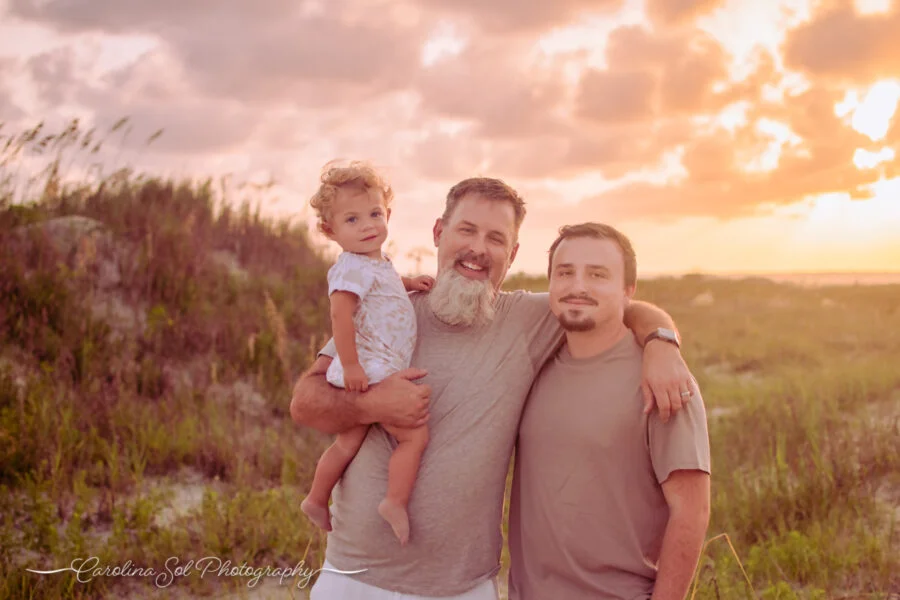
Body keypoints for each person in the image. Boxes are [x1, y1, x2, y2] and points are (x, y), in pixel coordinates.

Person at [290, 177, 698, 599]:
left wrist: (662, 343)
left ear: (513, 254)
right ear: (438, 232)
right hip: (354, 579)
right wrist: (373, 404)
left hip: (466, 588)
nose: (478, 249)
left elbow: (620, 304)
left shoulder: (527, 321)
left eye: (496, 238)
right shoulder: (388, 306)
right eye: (466, 230)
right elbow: (305, 402)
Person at [508, 223, 711, 600]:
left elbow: (691, 512)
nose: (578, 286)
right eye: (565, 272)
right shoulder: (534, 364)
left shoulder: (662, 379)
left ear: (628, 291)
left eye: (598, 274)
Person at [300, 162, 434, 546]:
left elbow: (383, 285)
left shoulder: (375, 263)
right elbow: (340, 314)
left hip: (373, 364)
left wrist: (408, 283)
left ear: (388, 214)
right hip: (370, 366)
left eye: (375, 214)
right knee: (415, 436)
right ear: (331, 231)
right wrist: (354, 366)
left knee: (347, 442)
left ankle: (315, 498)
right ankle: (394, 501)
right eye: (352, 219)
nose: (367, 225)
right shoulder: (349, 269)